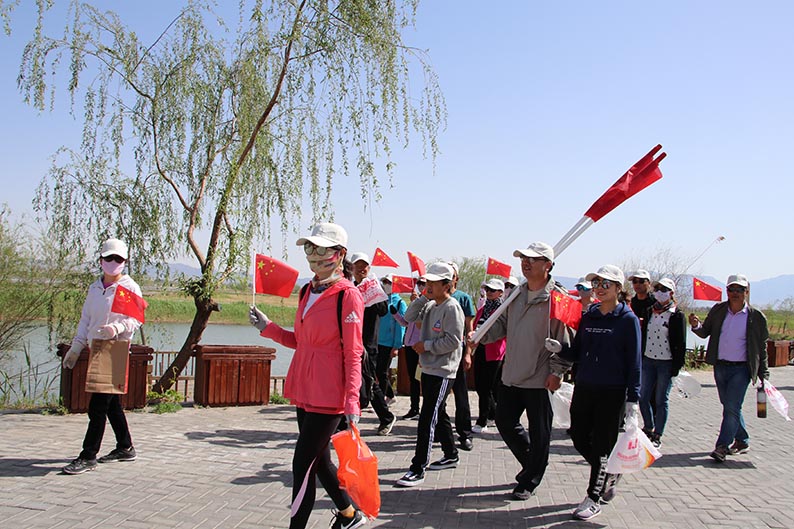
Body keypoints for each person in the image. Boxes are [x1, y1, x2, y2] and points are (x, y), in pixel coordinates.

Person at [249, 223, 366, 529]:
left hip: (330, 395)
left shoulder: (348, 296)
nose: (313, 255)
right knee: (320, 461)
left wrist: (352, 400)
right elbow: (302, 341)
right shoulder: (307, 290)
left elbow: (353, 351)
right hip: (304, 386)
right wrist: (269, 328)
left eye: (321, 248)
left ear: (339, 254)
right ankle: (350, 515)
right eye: (309, 248)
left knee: (302, 465)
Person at [473, 242, 574, 501]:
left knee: (540, 431)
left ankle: (529, 479)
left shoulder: (557, 299)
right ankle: (533, 464)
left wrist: (558, 371)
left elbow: (565, 339)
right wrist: (481, 336)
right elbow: (502, 326)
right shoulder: (515, 294)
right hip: (511, 372)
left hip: (540, 375)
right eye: (523, 259)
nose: (525, 263)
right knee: (506, 423)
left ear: (548, 265)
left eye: (533, 259)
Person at [552, 264, 641, 521]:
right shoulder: (590, 316)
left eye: (606, 284)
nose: (599, 289)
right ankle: (610, 471)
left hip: (612, 391)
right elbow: (578, 351)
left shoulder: (627, 320)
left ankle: (593, 497)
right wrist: (560, 349)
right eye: (597, 284)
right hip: (586, 386)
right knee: (578, 435)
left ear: (618, 289)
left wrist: (632, 399)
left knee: (602, 445)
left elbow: (634, 361)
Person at [61, 238, 143, 475]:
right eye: (109, 258)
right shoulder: (95, 288)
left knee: (98, 405)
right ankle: (125, 446)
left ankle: (88, 455)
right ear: (101, 260)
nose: (113, 263)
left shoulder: (128, 287)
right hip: (95, 348)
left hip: (115, 350)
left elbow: (136, 318)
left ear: (124, 262)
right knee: (111, 404)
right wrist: (76, 347)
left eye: (118, 259)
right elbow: (86, 319)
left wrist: (116, 329)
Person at [395, 262, 465, 488]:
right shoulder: (432, 305)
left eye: (434, 282)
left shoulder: (452, 307)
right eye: (428, 281)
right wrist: (422, 297)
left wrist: (427, 345)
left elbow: (454, 341)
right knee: (438, 411)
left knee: (428, 417)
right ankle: (451, 453)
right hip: (428, 368)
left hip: (443, 370)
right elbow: (408, 318)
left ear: (447, 284)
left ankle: (418, 468)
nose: (429, 285)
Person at [689, 274, 769, 463]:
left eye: (739, 290)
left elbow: (761, 347)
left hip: (741, 369)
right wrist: (695, 326)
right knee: (730, 407)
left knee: (732, 407)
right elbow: (704, 332)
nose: (734, 293)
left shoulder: (756, 317)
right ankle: (741, 440)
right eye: (731, 289)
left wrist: (763, 373)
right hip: (721, 366)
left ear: (746, 292)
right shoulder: (718, 310)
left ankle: (722, 446)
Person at [348, 252, 396, 436]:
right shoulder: (349, 288)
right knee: (351, 380)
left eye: (364, 266)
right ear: (351, 268)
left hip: (368, 345)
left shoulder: (373, 287)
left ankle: (386, 417)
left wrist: (371, 292)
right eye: (357, 266)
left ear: (369, 268)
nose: (361, 269)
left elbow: (383, 310)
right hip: (350, 341)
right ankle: (346, 419)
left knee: (368, 382)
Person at [638, 278, 686, 448]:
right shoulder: (650, 310)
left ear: (671, 293)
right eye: (657, 289)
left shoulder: (676, 315)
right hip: (649, 360)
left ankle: (658, 433)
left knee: (660, 399)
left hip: (666, 362)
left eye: (664, 289)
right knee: (643, 397)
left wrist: (676, 366)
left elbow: (680, 343)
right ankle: (648, 427)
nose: (660, 292)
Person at [472, 278, 506, 433]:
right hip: (480, 350)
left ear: (500, 293)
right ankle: (495, 414)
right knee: (480, 385)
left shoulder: (503, 310)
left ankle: (482, 419)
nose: (489, 293)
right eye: (488, 290)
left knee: (487, 387)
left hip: (495, 352)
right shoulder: (483, 309)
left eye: (493, 290)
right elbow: (475, 326)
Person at [448, 261, 475, 451]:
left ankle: (464, 433)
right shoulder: (433, 297)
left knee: (461, 395)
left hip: (457, 354)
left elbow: (469, 330)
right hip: (438, 356)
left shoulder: (463, 298)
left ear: (456, 278)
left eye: (451, 274)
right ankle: (441, 432)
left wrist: (468, 353)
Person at [393, 277, 426, 419]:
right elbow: (405, 322)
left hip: (422, 346)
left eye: (423, 283)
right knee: (413, 378)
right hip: (409, 344)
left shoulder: (429, 302)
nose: (420, 286)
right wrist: (395, 313)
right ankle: (414, 408)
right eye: (419, 283)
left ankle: (426, 410)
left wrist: (417, 303)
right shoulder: (415, 302)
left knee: (424, 378)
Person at [378, 273, 407, 405]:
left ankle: (386, 396)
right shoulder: (381, 299)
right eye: (385, 282)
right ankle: (386, 394)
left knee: (382, 371)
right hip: (377, 341)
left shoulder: (400, 302)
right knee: (377, 371)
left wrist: (397, 345)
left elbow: (401, 326)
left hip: (389, 343)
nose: (386, 285)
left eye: (389, 282)